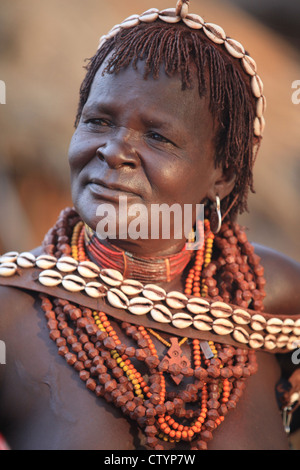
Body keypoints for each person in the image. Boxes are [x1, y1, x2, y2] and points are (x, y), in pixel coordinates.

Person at [0, 0, 299, 451]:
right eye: (98, 121)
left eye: (157, 136)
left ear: (223, 175)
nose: (114, 150)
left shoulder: (273, 297)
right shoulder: (12, 309)